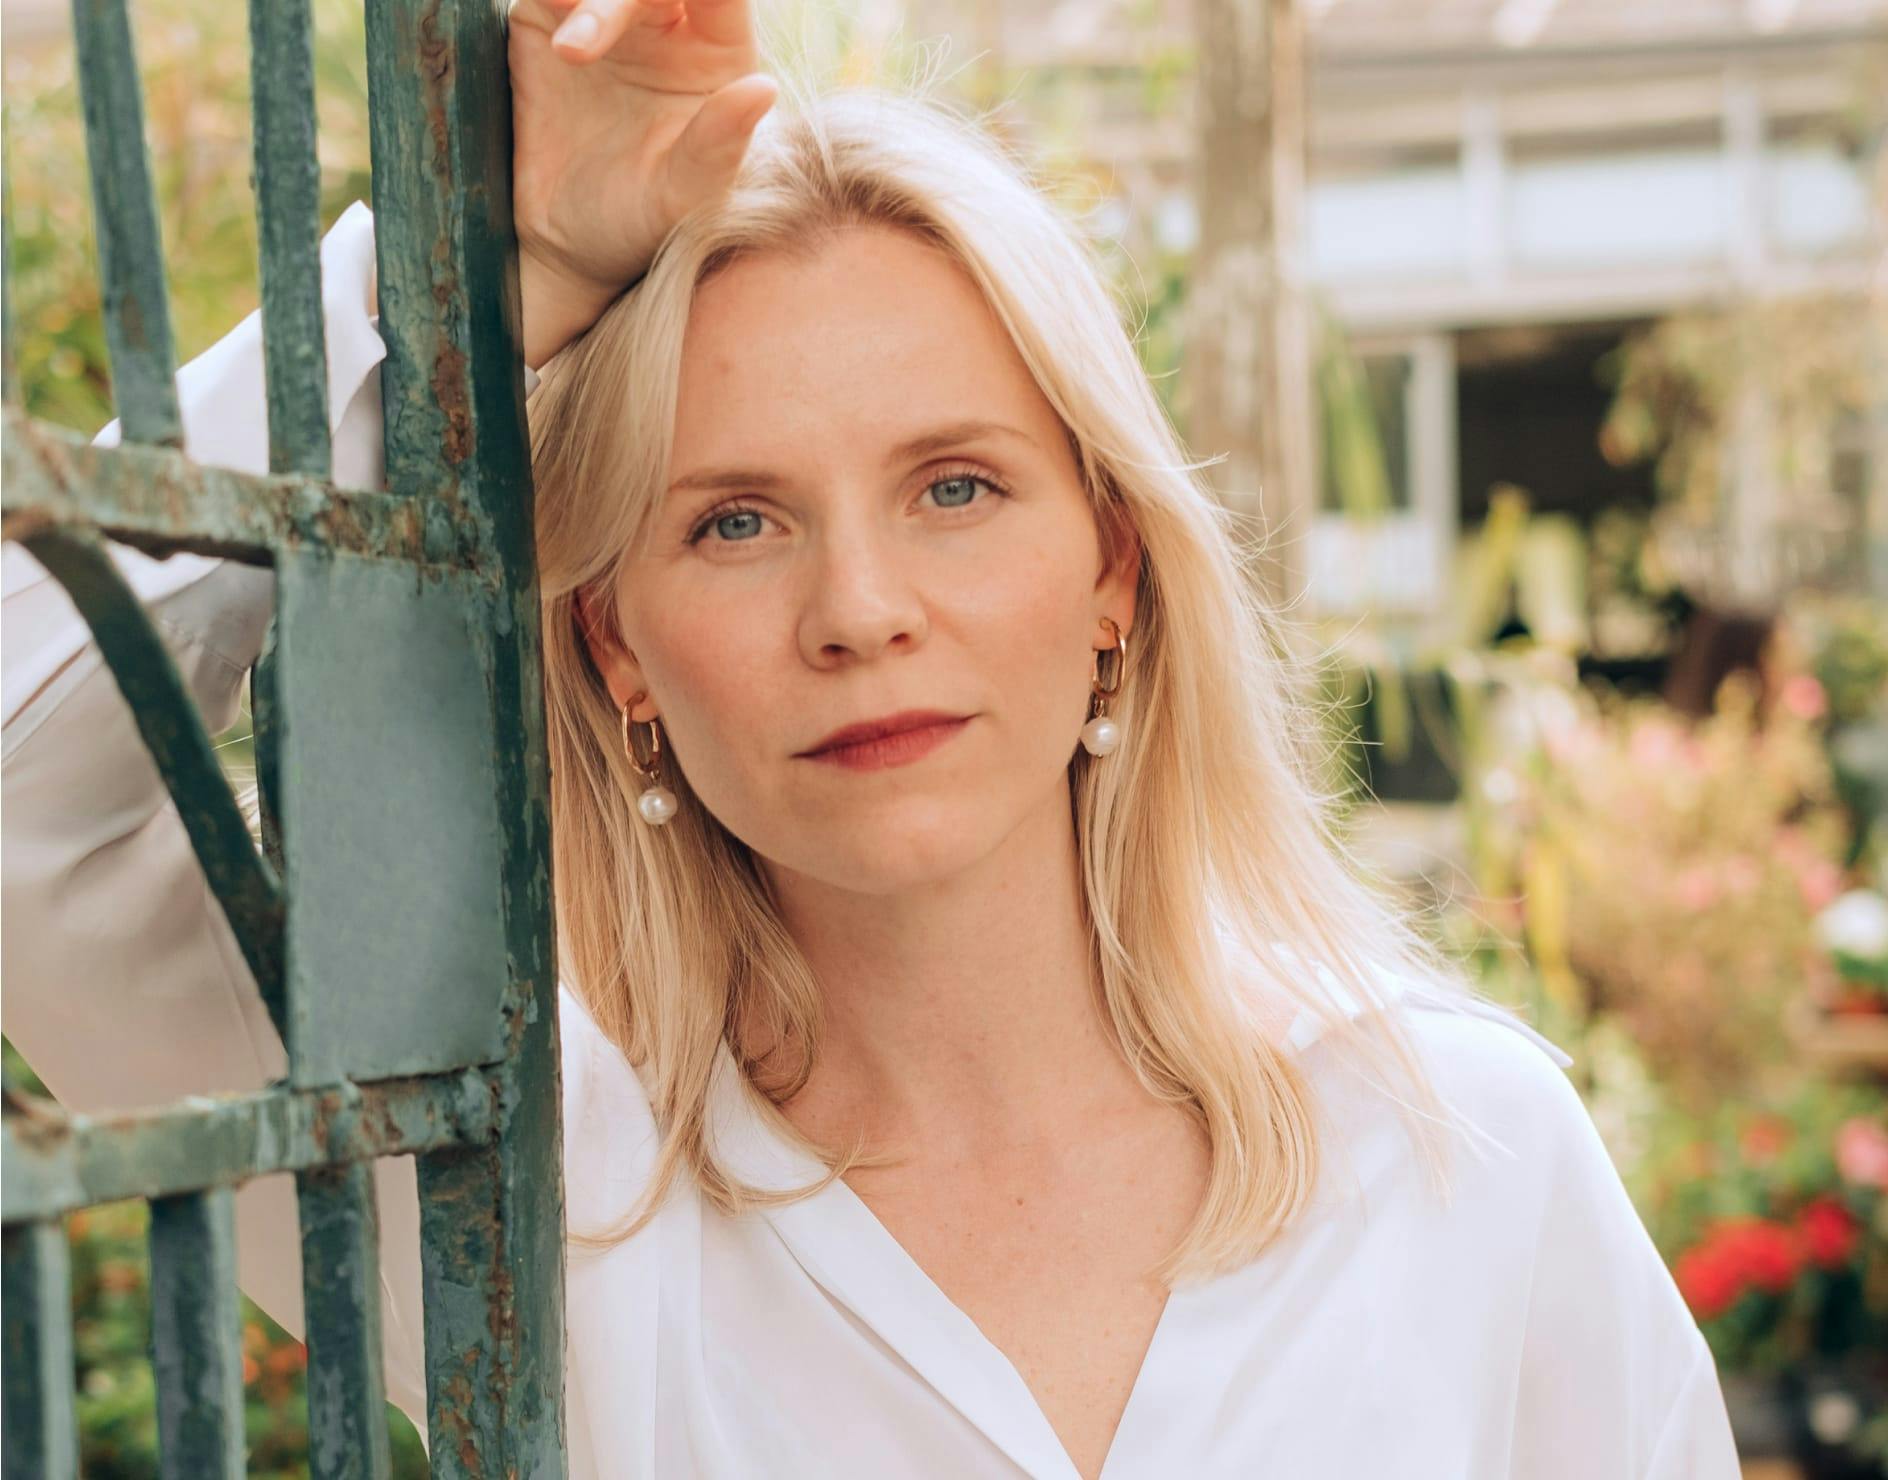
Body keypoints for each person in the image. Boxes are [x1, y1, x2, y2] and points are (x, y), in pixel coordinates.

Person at [2, 2, 1739, 1475]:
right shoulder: (530, 1193)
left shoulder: (1462, 1154)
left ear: (1113, 573)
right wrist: (469, 273)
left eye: (956, 487)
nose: (859, 608)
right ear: (618, 651)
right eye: (734, 523)